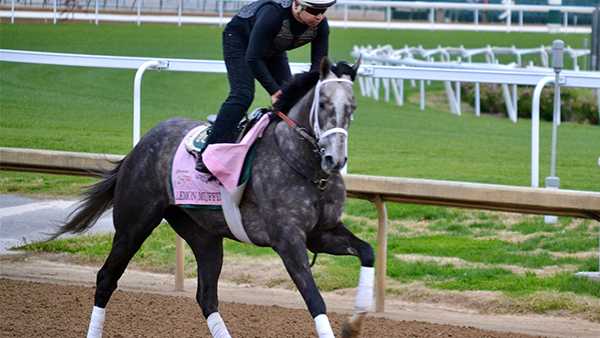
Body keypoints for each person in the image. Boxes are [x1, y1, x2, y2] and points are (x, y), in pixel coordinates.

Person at [196, 0, 336, 172]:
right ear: (298, 5)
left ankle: (281, 155)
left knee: (293, 102)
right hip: (240, 40)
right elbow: (253, 58)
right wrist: (274, 91)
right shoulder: (273, 14)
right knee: (243, 95)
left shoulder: (321, 25)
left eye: (324, 11)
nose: (319, 16)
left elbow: (318, 67)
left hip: (273, 48)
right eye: (315, 11)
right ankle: (208, 154)